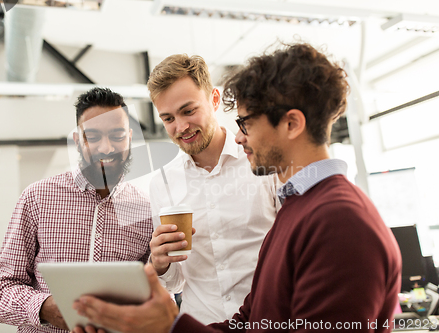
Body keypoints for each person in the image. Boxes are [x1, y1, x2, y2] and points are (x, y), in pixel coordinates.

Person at [72, 43, 402, 333]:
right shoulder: (298, 206)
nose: (240, 136)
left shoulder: (336, 219)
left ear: (291, 124)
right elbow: (254, 317)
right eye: (168, 117)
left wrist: (167, 326)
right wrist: (161, 283)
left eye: (246, 123)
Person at [0, 87, 153, 333]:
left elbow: (155, 292)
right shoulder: (37, 198)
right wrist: (44, 307)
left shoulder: (146, 210)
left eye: (117, 136)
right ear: (77, 141)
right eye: (93, 137)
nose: (106, 147)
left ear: (129, 138)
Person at [146, 54, 280, 323]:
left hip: (267, 322)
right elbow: (174, 284)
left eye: (188, 111)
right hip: (202, 325)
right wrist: (160, 264)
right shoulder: (162, 182)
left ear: (214, 99)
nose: (181, 127)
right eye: (168, 118)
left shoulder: (263, 162)